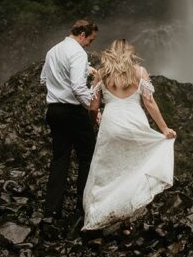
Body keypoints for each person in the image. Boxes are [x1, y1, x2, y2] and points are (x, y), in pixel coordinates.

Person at [82, 38, 177, 231]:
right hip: (135, 125)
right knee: (132, 170)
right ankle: (125, 221)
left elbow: (93, 107)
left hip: (111, 124)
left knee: (106, 173)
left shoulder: (102, 74)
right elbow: (149, 102)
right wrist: (164, 129)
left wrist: (94, 121)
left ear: (110, 52)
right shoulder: (139, 72)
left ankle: (97, 220)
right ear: (130, 52)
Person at [40, 19, 99, 223]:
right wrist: (92, 107)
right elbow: (77, 86)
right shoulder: (78, 52)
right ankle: (81, 210)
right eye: (90, 39)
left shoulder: (53, 50)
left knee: (60, 159)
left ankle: (51, 212)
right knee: (87, 155)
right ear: (82, 34)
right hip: (72, 110)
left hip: (53, 109)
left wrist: (85, 70)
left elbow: (43, 80)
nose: (90, 44)